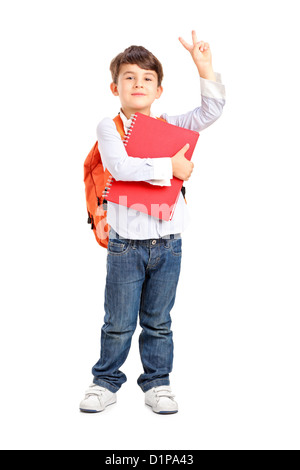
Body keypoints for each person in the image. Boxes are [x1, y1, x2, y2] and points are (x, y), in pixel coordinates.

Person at [80, 31, 226, 414]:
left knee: (159, 321)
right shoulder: (109, 127)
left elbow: (210, 113)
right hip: (125, 243)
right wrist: (171, 167)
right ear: (115, 87)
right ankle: (105, 381)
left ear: (159, 90)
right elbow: (119, 166)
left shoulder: (168, 124)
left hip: (169, 242)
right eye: (129, 77)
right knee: (118, 322)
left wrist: (204, 66)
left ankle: (158, 384)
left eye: (147, 78)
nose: (138, 83)